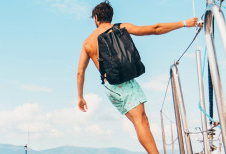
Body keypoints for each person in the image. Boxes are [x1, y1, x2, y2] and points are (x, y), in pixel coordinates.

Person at [76, 1, 198, 153]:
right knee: (142, 122)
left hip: (111, 87)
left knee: (139, 122)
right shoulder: (120, 27)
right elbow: (156, 29)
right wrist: (184, 23)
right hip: (124, 84)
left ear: (95, 18)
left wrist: (80, 97)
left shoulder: (87, 42)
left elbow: (80, 72)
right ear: (110, 16)